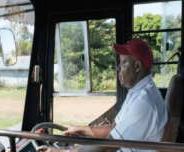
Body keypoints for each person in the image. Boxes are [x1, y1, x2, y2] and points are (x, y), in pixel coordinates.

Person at [37, 38, 168, 152]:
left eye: (123, 63)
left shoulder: (144, 102)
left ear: (137, 66)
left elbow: (109, 146)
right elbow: (113, 128)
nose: (118, 68)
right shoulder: (137, 92)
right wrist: (77, 129)